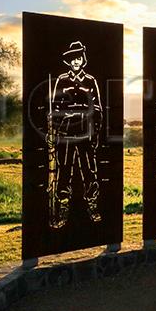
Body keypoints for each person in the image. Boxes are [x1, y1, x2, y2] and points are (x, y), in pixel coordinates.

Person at [48, 41, 102, 227]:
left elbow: (97, 109)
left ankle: (92, 205)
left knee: (89, 170)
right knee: (64, 170)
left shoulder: (90, 81)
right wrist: (56, 129)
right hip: (66, 132)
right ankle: (62, 208)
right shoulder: (62, 80)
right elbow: (55, 108)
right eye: (73, 58)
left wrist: (95, 132)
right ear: (69, 61)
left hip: (86, 132)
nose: (76, 61)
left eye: (78, 58)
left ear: (83, 59)